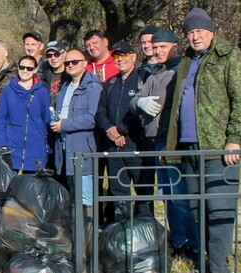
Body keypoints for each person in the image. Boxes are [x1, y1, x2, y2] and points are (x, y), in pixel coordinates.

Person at [166, 8, 241, 273]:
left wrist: (234, 139)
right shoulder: (186, 62)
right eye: (190, 33)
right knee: (196, 207)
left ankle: (220, 269)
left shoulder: (229, 57)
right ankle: (204, 262)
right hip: (189, 146)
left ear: (211, 32)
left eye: (199, 32)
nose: (195, 37)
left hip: (219, 148)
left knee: (219, 207)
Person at [131, 29, 197, 258]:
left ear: (175, 46)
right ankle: (178, 240)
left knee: (180, 196)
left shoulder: (181, 71)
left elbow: (172, 106)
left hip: (173, 141)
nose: (156, 51)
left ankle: (193, 243)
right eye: (154, 47)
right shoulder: (156, 73)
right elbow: (135, 99)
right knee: (167, 194)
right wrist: (140, 103)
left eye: (162, 47)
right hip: (156, 140)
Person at [95, 41, 152, 224]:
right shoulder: (111, 83)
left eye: (124, 55)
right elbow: (100, 112)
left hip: (138, 147)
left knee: (143, 191)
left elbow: (144, 113)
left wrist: (121, 131)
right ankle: (121, 232)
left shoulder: (144, 79)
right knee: (117, 192)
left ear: (133, 56)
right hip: (114, 148)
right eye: (117, 56)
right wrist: (111, 131)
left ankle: (146, 232)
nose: (120, 60)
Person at [50, 49, 102, 219]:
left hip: (82, 150)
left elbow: (91, 119)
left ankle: (87, 239)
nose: (70, 65)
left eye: (75, 62)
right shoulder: (64, 88)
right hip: (64, 148)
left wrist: (64, 124)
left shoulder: (93, 87)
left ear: (85, 63)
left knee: (86, 197)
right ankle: (77, 236)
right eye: (67, 63)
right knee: (74, 195)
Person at [0, 55, 51, 173]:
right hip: (12, 148)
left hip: (35, 148)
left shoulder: (42, 92)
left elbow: (46, 120)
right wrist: (2, 145)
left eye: (29, 68)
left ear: (35, 70)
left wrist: (46, 145)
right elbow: (0, 120)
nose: (25, 71)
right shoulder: (8, 91)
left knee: (32, 188)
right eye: (22, 67)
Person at [42, 40, 67, 107]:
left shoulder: (70, 76)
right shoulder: (43, 77)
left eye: (57, 54)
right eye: (49, 55)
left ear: (64, 54)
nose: (53, 58)